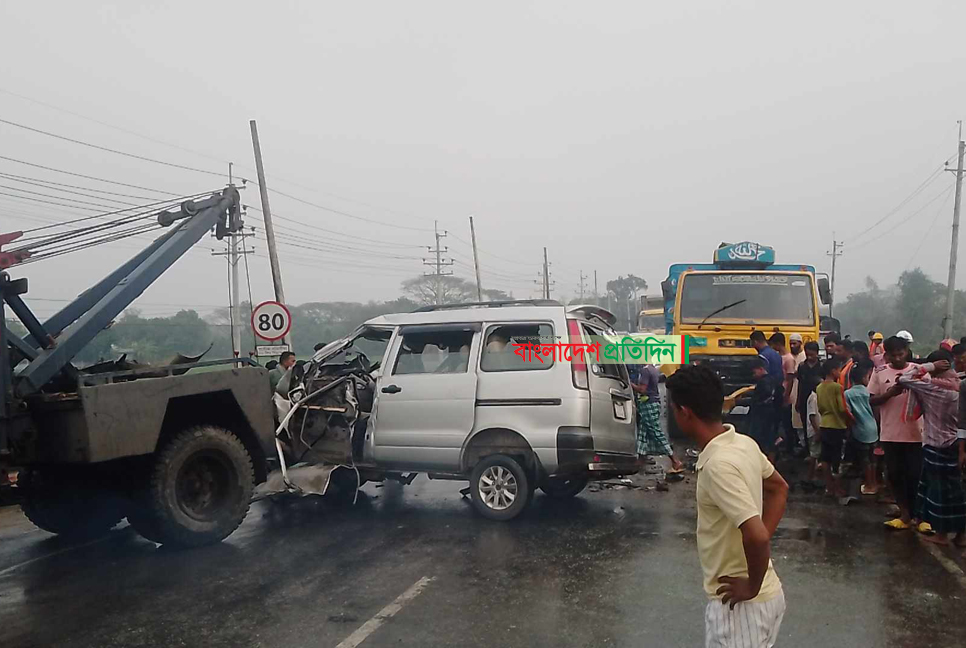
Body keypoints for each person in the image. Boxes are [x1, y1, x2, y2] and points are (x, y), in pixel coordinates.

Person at [665, 365, 788, 647]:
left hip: (742, 608)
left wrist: (751, 585)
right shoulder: (742, 443)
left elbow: (755, 535)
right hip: (766, 598)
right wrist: (760, 548)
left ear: (685, 412)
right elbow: (779, 488)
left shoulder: (719, 465)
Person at [897, 351, 966, 546]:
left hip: (937, 444)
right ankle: (961, 535)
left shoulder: (932, 388)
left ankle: (942, 535)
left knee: (939, 493)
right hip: (958, 444)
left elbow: (904, 378)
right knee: (957, 491)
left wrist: (928, 367)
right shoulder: (959, 386)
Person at [869, 336, 926, 531]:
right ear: (887, 355)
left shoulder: (918, 372)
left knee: (915, 476)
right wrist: (890, 393)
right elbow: (872, 400)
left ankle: (920, 515)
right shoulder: (880, 373)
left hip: (916, 433)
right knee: (895, 475)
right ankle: (904, 515)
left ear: (907, 352)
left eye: (901, 354)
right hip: (890, 433)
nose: (898, 358)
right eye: (893, 355)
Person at [630, 363, 684, 474]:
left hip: (648, 403)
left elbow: (643, 389)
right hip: (651, 402)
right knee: (643, 433)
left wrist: (630, 384)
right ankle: (641, 459)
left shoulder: (645, 370)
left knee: (655, 432)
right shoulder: (653, 369)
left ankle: (675, 460)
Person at [816, 357, 850, 500]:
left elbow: (820, 407)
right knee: (837, 458)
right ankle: (837, 488)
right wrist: (851, 420)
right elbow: (842, 408)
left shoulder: (819, 387)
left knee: (825, 457)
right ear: (833, 371)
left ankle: (828, 487)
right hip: (837, 425)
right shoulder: (837, 387)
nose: (840, 372)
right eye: (838, 369)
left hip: (824, 423)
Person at [736, 357, 780, 462]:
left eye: (754, 372)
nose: (753, 375)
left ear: (760, 369)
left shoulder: (763, 383)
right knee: (770, 441)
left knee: (759, 441)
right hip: (770, 415)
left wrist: (741, 402)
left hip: (761, 416)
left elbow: (759, 399)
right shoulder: (772, 380)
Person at [845, 362, 878, 496]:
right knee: (873, 458)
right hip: (873, 428)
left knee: (865, 459)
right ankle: (874, 482)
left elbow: (848, 413)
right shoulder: (869, 392)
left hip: (860, 429)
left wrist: (850, 427)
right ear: (865, 378)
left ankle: (870, 484)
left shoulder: (848, 394)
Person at [769, 332, 798, 454]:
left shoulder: (789, 359)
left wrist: (786, 397)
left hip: (785, 393)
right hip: (779, 393)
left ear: (778, 344)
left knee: (786, 423)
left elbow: (790, 379)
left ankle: (790, 448)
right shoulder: (780, 357)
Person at [796, 342, 823, 451]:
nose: (810, 357)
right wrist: (798, 400)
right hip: (804, 398)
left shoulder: (822, 366)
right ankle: (808, 449)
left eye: (812, 355)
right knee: (805, 425)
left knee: (817, 423)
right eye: (808, 355)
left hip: (818, 399)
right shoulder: (802, 366)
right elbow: (800, 384)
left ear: (817, 353)